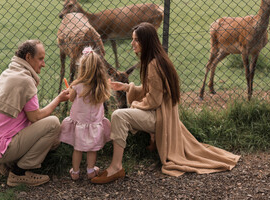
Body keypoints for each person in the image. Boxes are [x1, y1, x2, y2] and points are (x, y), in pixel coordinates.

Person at [91, 22, 240, 184]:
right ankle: (120, 163)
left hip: (160, 117)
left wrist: (134, 106)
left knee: (119, 115)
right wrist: (127, 87)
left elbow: (154, 100)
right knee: (122, 115)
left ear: (146, 42)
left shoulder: (153, 64)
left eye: (136, 40)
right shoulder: (157, 60)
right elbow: (153, 89)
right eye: (133, 39)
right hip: (164, 114)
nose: (132, 43)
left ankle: (116, 167)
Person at [0, 39, 70, 187]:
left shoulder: (9, 73)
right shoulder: (25, 80)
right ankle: (19, 173)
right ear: (28, 57)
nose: (43, 63)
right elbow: (35, 117)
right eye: (40, 59)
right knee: (53, 124)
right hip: (2, 147)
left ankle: (7, 162)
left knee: (54, 141)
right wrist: (58, 99)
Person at [59, 46, 111, 180]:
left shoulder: (77, 84)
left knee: (77, 149)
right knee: (92, 149)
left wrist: (70, 91)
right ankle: (90, 171)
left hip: (79, 122)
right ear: (99, 68)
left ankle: (75, 172)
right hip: (93, 123)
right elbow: (105, 98)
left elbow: (70, 99)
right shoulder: (101, 85)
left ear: (82, 68)